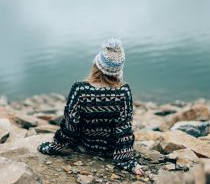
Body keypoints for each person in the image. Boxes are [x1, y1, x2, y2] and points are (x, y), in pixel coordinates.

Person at [38, 38, 143, 175]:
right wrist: (126, 160)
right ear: (118, 70)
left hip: (85, 146)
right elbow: (124, 128)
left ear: (97, 65)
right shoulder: (124, 91)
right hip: (110, 150)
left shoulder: (79, 89)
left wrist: (56, 147)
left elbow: (70, 125)